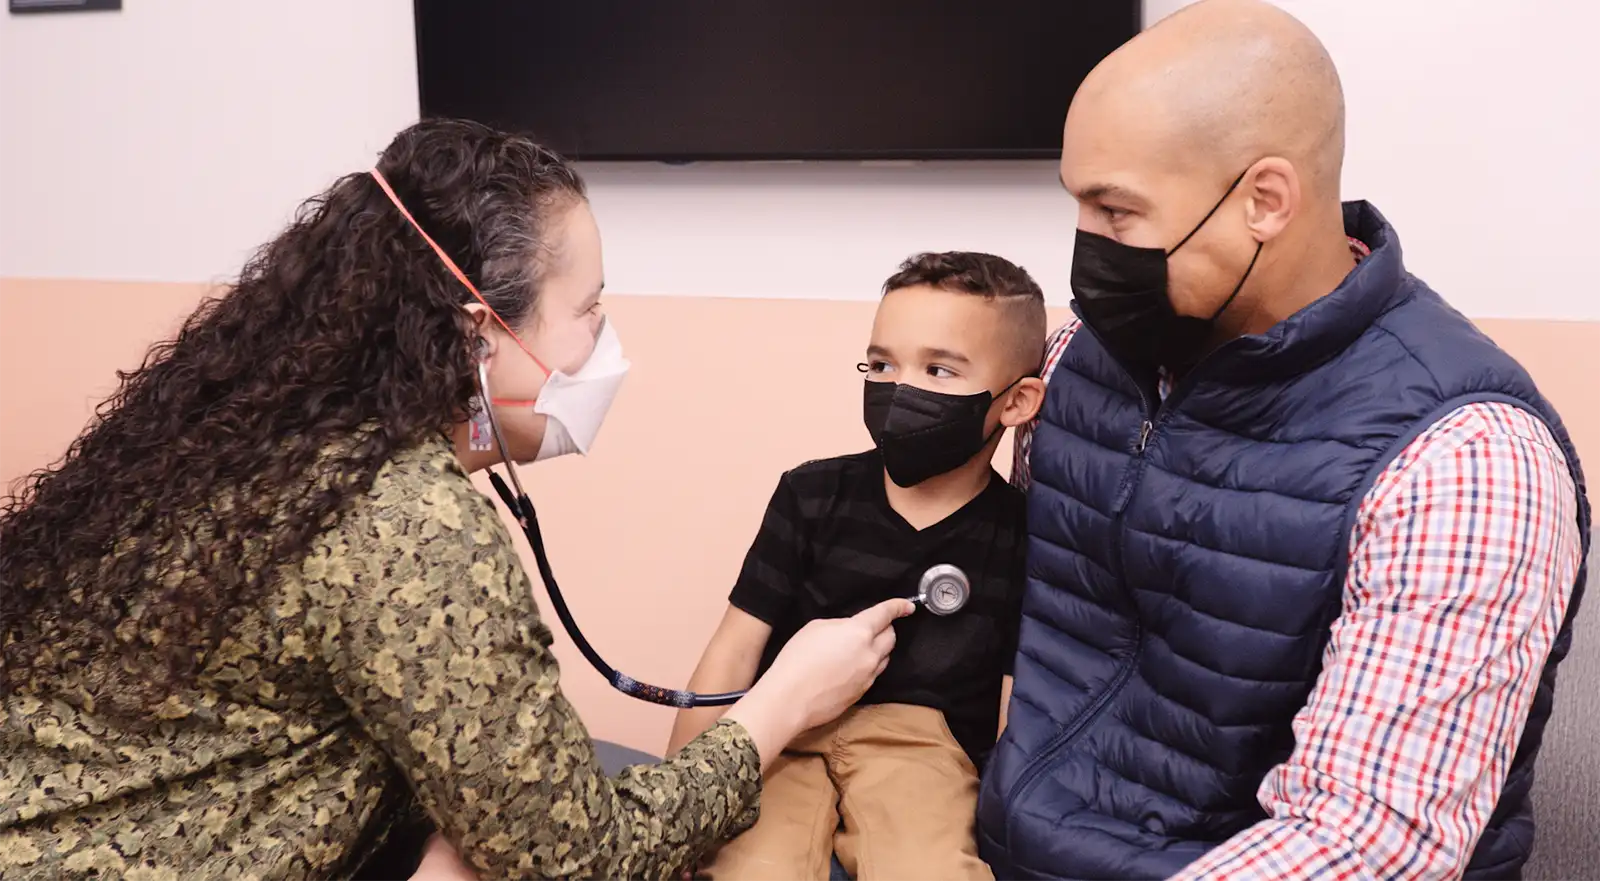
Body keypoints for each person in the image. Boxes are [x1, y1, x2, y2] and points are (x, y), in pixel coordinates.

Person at [0, 118, 912, 881]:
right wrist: (781, 703)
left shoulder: (259, 432)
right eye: (589, 310)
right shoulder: (406, 523)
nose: (606, 343)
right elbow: (579, 855)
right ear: (479, 333)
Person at [977, 2, 1590, 880]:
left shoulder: (1465, 459)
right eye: (1079, 204)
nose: (1087, 248)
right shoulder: (1083, 361)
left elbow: (1369, 842)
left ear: (1265, 200)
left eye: (1117, 212)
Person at [667, 252, 1048, 881]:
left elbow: (1018, 705)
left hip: (924, 748)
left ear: (1016, 402)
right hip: (785, 724)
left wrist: (1010, 831)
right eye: (881, 364)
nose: (900, 388)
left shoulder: (1023, 536)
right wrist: (680, 803)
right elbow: (735, 647)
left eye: (939, 369)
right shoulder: (811, 495)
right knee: (751, 868)